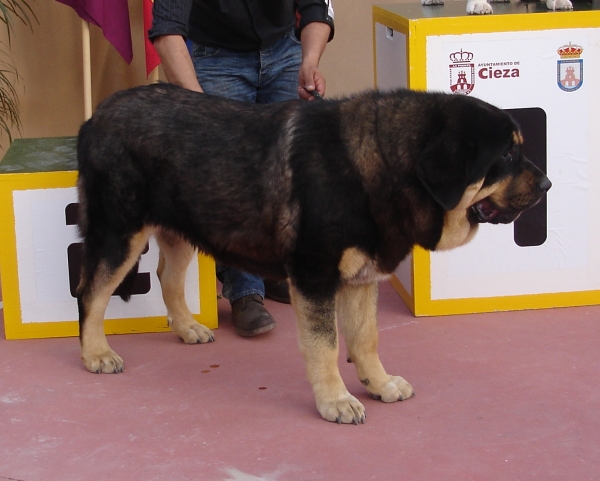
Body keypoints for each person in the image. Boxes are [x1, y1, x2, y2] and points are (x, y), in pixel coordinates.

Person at [149, 0, 335, 338]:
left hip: (284, 50)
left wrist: (309, 61)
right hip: (215, 57)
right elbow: (167, 29)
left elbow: (316, 6)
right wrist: (200, 107)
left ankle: (275, 271)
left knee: (287, 173)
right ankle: (244, 291)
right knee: (231, 180)